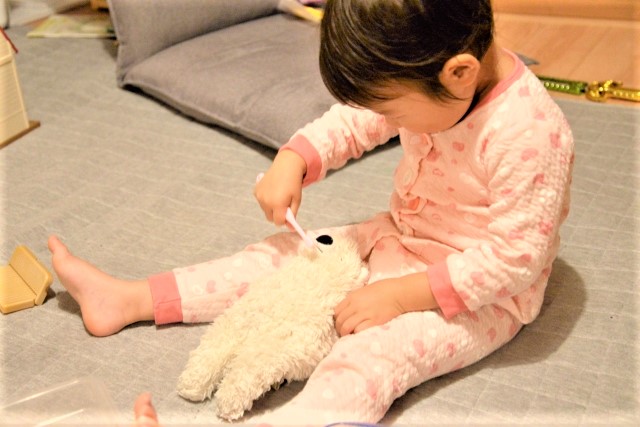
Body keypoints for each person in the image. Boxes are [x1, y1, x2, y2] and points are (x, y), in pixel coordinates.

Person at [49, 0, 574, 424]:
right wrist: (294, 160)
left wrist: (399, 295)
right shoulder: (426, 80)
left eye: (390, 110)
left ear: (459, 74)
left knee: (372, 355)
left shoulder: (528, 132)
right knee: (277, 257)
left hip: (477, 295)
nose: (384, 120)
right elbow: (356, 121)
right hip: (397, 235)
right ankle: (129, 299)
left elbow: (515, 261)